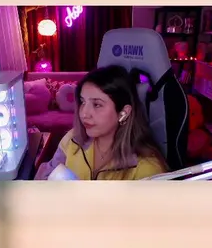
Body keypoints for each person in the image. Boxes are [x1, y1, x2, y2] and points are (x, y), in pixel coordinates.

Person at [34, 65, 166, 180]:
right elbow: (45, 178)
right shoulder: (72, 139)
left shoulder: (147, 169)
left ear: (123, 113)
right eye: (83, 102)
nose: (84, 113)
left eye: (97, 104)